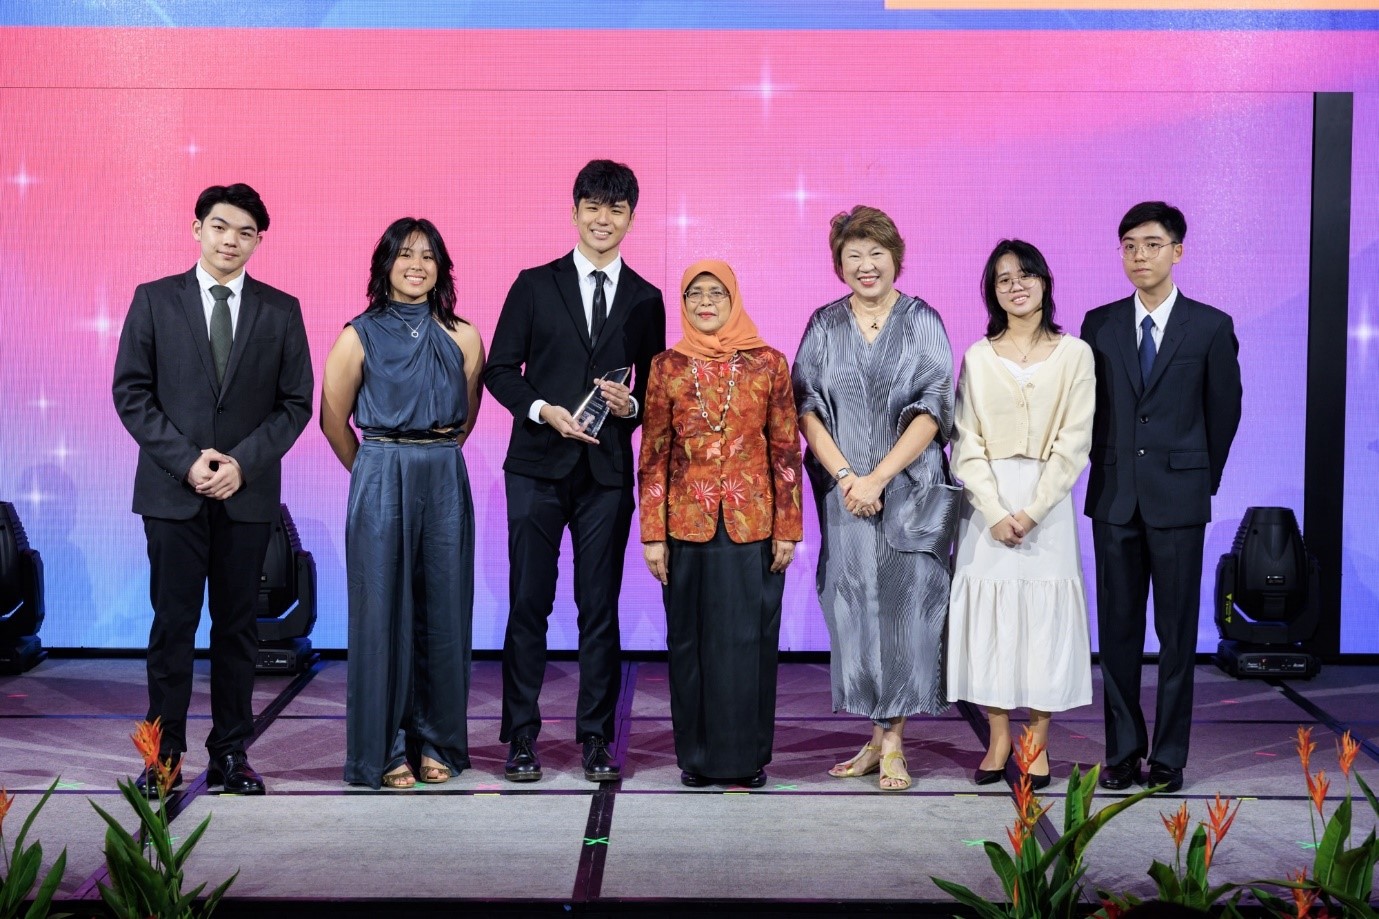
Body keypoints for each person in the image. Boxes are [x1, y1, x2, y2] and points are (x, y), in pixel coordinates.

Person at [112, 183, 313, 796]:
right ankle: (162, 756)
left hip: (246, 497)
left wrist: (242, 465)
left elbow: (295, 404)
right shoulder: (154, 300)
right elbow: (132, 393)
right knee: (172, 626)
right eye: (221, 227)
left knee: (237, 630)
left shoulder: (280, 309)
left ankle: (230, 753)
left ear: (258, 241)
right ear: (196, 227)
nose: (231, 240)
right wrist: (188, 461)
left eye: (246, 232)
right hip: (173, 493)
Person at [484, 160, 666, 783]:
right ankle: (523, 738)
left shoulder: (647, 297)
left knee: (600, 609)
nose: (603, 219)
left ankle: (595, 738)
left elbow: (655, 391)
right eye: (593, 206)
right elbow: (500, 369)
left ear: (631, 219)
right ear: (574, 211)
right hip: (535, 466)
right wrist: (542, 410)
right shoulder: (534, 284)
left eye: (616, 210)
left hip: (605, 473)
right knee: (527, 604)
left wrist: (632, 406)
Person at [793, 206, 960, 792]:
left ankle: (894, 745)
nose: (866, 265)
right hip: (846, 496)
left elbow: (935, 407)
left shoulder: (924, 321)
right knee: (855, 611)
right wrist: (847, 478)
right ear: (839, 264)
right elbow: (807, 408)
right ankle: (874, 737)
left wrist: (879, 478)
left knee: (906, 613)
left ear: (896, 256)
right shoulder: (823, 325)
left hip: (909, 491)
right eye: (853, 255)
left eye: (876, 253)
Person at [1081, 202, 1242, 794]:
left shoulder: (1209, 325)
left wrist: (1200, 480)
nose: (1139, 256)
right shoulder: (1098, 324)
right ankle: (1123, 751)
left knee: (1177, 635)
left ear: (1178, 250)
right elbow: (1089, 414)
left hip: (1179, 501)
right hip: (1115, 497)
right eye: (1128, 245)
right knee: (1118, 632)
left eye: (1151, 244)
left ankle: (1170, 755)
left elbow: (1224, 413)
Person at [320, 218, 485, 789]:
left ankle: (435, 741)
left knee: (443, 613)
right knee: (381, 615)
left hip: (443, 474)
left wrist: (427, 461)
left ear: (442, 267)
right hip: (380, 472)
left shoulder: (464, 335)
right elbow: (332, 420)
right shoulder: (356, 334)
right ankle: (385, 749)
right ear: (384, 263)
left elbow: (465, 417)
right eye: (405, 254)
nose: (417, 265)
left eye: (429, 256)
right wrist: (374, 471)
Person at [638, 259, 803, 788]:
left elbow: (785, 450)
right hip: (685, 526)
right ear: (683, 304)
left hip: (753, 525)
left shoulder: (768, 363)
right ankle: (698, 759)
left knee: (749, 644)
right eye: (694, 294)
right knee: (689, 645)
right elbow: (654, 453)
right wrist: (653, 534)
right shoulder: (666, 366)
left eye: (716, 293)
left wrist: (788, 527)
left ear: (734, 299)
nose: (705, 303)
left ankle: (747, 758)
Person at [948, 239, 1095, 790]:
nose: (1016, 285)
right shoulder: (978, 356)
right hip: (987, 506)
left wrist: (1031, 511)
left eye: (1025, 274)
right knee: (992, 620)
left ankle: (1038, 739)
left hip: (1047, 505)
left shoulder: (1075, 353)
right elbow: (966, 444)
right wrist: (992, 509)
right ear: (993, 290)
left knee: (1042, 621)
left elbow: (1074, 441)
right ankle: (998, 735)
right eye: (1004, 278)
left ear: (1044, 282)